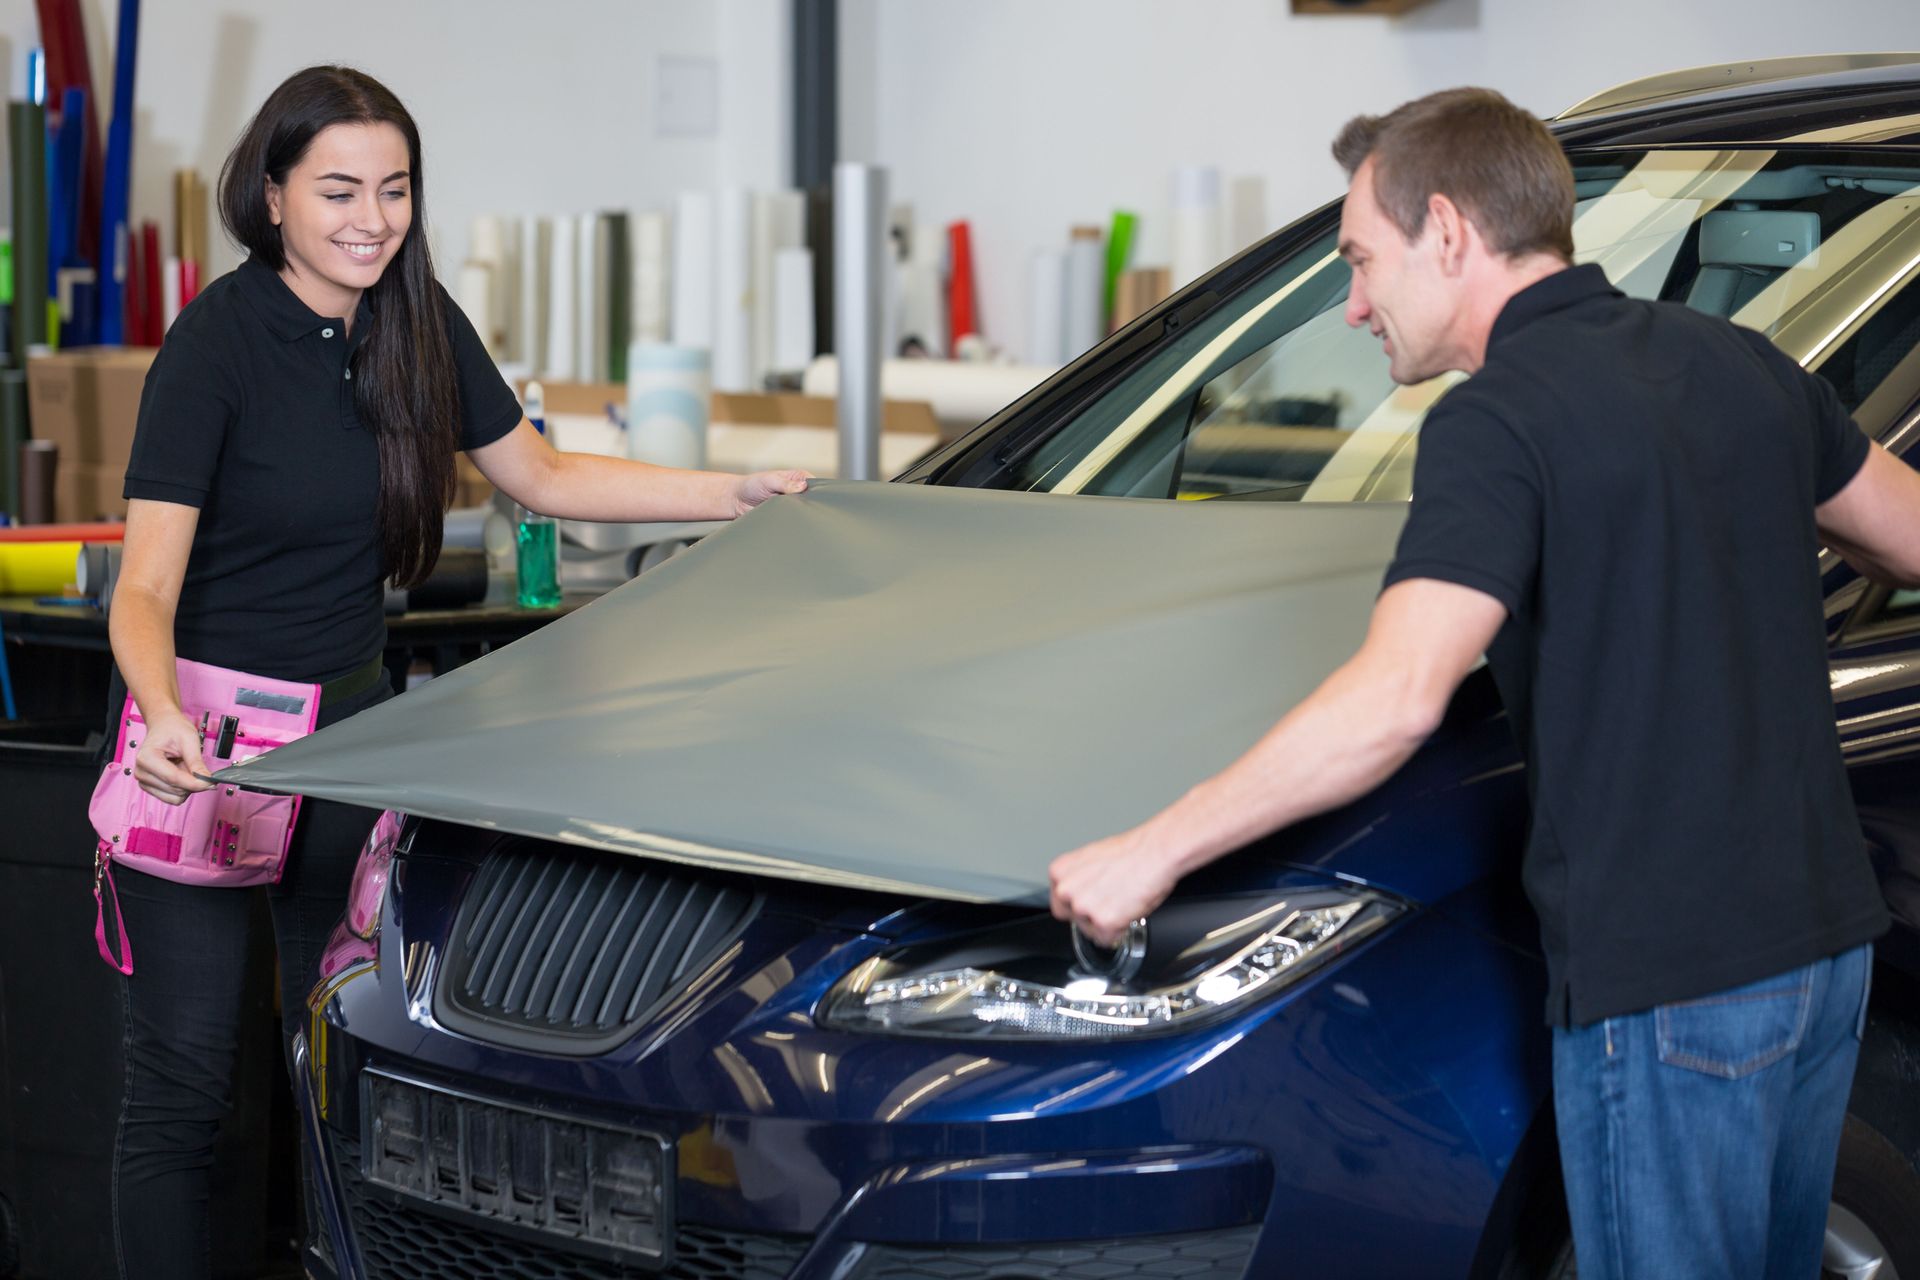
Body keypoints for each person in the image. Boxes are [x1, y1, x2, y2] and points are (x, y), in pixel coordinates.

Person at [1049, 87, 1920, 1279]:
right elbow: (1909, 538)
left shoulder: (1498, 420)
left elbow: (1398, 696)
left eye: (1362, 260)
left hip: (1672, 984)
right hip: (1825, 957)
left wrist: (1151, 848)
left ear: (1449, 232)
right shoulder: (1739, 364)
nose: (1353, 304)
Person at [106, 65, 807, 1279]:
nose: (370, 218)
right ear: (272, 196)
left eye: (393, 189)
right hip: (202, 750)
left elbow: (541, 477)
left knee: (335, 1071)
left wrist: (730, 495)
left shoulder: (418, 324)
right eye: (337, 190)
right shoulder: (215, 344)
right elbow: (146, 589)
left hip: (353, 743)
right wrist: (161, 710)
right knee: (182, 1089)